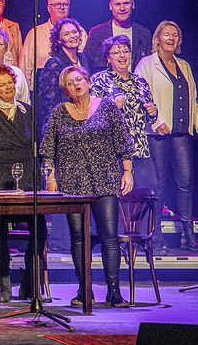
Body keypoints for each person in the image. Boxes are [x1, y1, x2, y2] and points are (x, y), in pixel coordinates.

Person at [41, 65, 134, 307]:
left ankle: (114, 291)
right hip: (73, 184)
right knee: (78, 239)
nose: (76, 85)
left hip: (104, 180)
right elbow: (47, 150)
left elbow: (123, 141)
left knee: (109, 237)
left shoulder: (107, 107)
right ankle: (84, 289)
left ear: (88, 81)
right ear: (66, 90)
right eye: (70, 83)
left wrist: (127, 171)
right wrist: (50, 178)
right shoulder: (59, 113)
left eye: (79, 80)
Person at [0, 65, 46, 302]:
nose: (7, 88)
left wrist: (44, 178)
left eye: (10, 83)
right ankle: (3, 281)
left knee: (40, 229)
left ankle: (29, 283)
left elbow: (37, 145)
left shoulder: (27, 111)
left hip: (26, 176)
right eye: (1, 85)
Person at [92, 35, 161, 251]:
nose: (122, 55)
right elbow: (91, 115)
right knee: (117, 198)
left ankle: (148, 240)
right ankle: (118, 243)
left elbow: (149, 114)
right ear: (108, 58)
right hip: (114, 152)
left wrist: (153, 111)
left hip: (139, 147)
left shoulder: (139, 80)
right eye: (116, 52)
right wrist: (111, 105)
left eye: (125, 51)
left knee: (149, 191)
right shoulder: (99, 80)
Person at [135, 21, 198, 251]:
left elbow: (192, 100)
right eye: (166, 34)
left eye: (175, 35)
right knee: (159, 184)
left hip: (181, 131)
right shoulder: (147, 64)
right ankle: (155, 233)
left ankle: (188, 234)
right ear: (158, 38)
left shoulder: (184, 65)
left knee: (186, 183)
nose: (171, 38)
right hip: (158, 132)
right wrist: (157, 121)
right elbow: (141, 94)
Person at [35, 18, 91, 136]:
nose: (72, 36)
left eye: (74, 32)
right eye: (66, 34)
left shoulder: (83, 58)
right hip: (65, 123)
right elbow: (49, 101)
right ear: (59, 40)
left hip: (84, 118)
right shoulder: (55, 63)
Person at [20, 0, 87, 86]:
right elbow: (25, 68)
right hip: (44, 91)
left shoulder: (80, 32)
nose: (62, 8)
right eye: (57, 4)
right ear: (48, 8)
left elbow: (84, 61)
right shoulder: (35, 33)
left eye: (65, 4)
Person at [84, 0, 152, 74]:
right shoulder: (97, 33)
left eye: (126, 3)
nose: (122, 8)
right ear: (110, 6)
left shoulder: (144, 34)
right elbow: (87, 64)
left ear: (133, 5)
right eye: (118, 4)